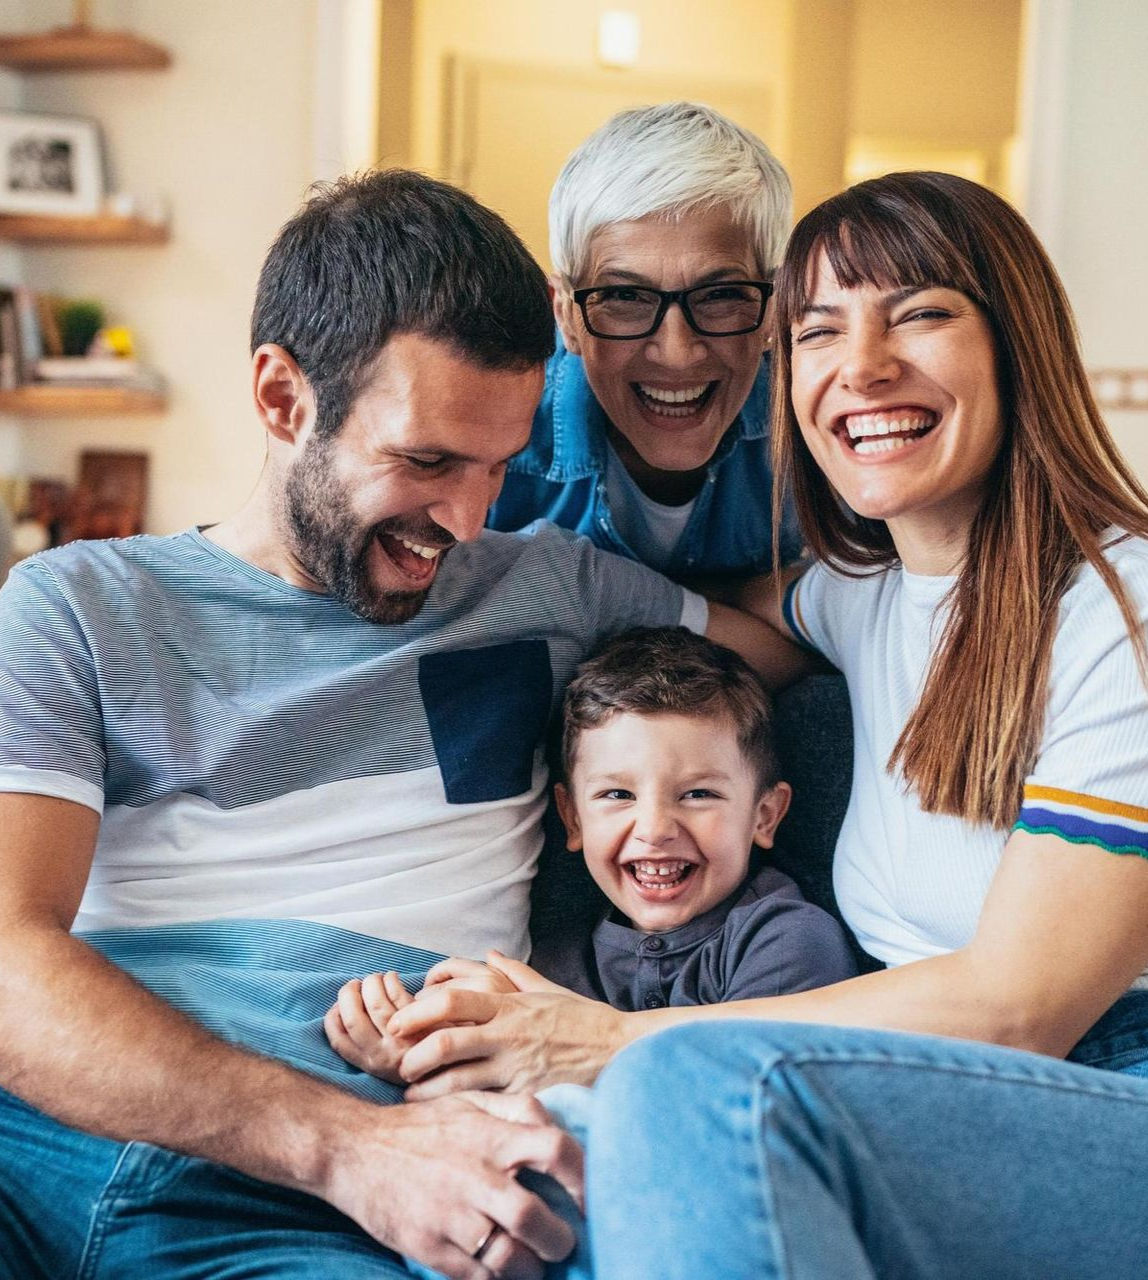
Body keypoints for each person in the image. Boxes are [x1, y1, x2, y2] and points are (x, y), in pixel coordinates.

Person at [0, 169, 807, 1280]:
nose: (465, 519)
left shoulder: (549, 588)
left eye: (498, 466)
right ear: (281, 397)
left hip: (307, 1222)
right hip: (3, 1141)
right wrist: (349, 1148)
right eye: (424, 461)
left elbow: (802, 654)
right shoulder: (79, 603)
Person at [383, 172, 1148, 1279]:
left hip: (1102, 1085)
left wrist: (609, 1040)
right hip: (910, 1088)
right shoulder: (861, 596)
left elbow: (1019, 1001)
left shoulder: (1118, 607)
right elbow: (692, 599)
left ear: (1016, 343)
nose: (863, 366)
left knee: (686, 1087)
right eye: (820, 331)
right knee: (492, 1178)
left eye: (920, 313)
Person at [328, 625, 856, 1088]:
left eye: (698, 794)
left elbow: (751, 1096)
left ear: (764, 816)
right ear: (573, 819)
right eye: (617, 795)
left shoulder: (788, 941)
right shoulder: (551, 963)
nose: (653, 829)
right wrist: (416, 1058)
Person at [487, 101, 801, 580]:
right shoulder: (493, 447)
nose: (676, 353)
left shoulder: (818, 429)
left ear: (772, 310)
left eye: (719, 295)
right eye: (625, 296)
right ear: (566, 316)